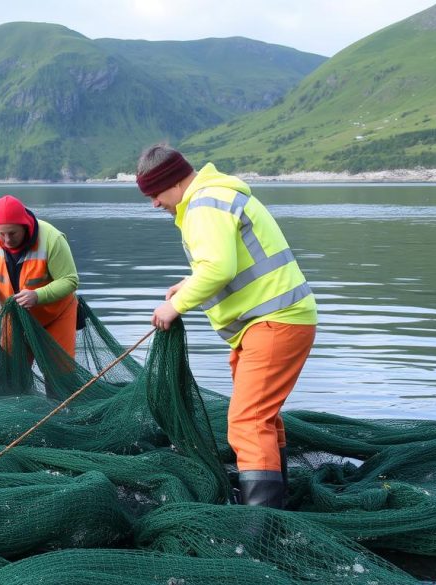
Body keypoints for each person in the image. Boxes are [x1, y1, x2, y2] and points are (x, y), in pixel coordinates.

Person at [136, 144, 317, 508]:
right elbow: (225, 261)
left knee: (247, 420)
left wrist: (175, 306)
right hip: (268, 322)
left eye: (155, 193)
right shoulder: (214, 196)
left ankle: (261, 520)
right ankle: (274, 499)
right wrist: (189, 283)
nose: (155, 203)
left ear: (172, 182)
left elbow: (219, 268)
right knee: (262, 417)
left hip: (274, 320)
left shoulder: (204, 203)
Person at [0, 194, 80, 366]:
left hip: (56, 317)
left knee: (59, 373)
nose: (7, 240)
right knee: (11, 372)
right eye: (2, 234)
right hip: (14, 318)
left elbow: (70, 280)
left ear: (25, 226)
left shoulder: (52, 239)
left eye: (13, 233)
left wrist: (37, 296)